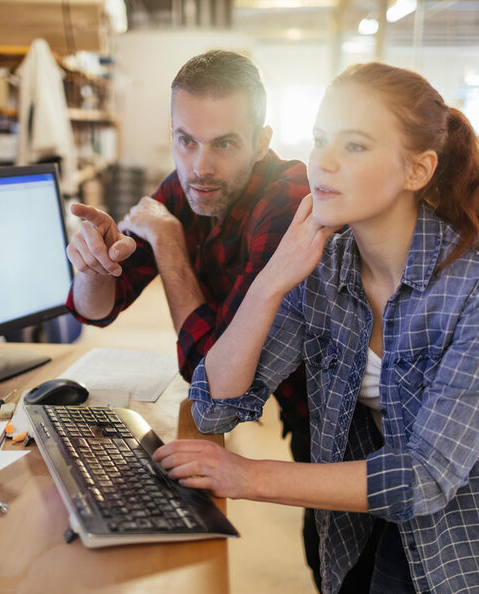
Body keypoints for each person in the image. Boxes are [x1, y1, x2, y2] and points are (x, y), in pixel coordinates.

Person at [153, 61, 479, 594]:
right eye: (320, 139)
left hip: (458, 540)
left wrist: (247, 475)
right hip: (357, 522)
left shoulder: (469, 288)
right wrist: (270, 282)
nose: (322, 162)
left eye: (353, 146)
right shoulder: (326, 266)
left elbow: (426, 475)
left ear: (418, 171)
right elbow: (215, 406)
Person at [65, 53, 310, 459]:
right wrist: (94, 264)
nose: (200, 166)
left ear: (262, 142)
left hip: (352, 420)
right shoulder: (186, 188)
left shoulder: (287, 202)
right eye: (186, 140)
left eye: (225, 143)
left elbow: (211, 378)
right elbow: (95, 311)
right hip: (296, 406)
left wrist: (169, 244)